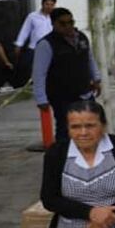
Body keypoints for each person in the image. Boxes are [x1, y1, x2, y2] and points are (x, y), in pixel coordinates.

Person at [33, 8, 101, 141]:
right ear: (53, 24)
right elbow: (39, 73)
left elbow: (89, 58)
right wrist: (41, 98)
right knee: (66, 128)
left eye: (70, 22)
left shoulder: (81, 37)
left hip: (84, 91)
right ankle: (63, 157)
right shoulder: (46, 44)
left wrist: (96, 78)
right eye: (62, 23)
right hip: (61, 95)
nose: (68, 26)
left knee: (90, 124)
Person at [12, 0, 56, 86]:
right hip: (34, 48)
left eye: (52, 5)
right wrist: (19, 44)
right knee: (31, 70)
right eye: (47, 4)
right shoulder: (33, 16)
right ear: (42, 4)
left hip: (51, 48)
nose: (49, 7)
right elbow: (25, 31)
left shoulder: (55, 17)